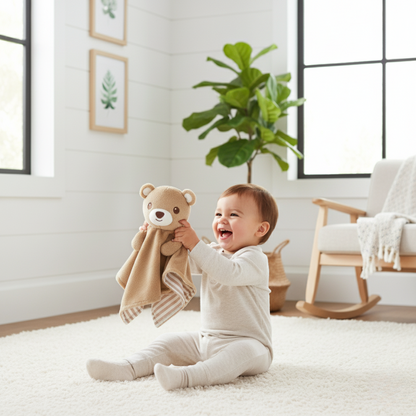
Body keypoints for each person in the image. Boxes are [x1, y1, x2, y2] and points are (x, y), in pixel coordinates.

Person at [86, 183, 278, 390]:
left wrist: (195, 243)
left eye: (233, 215)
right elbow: (180, 264)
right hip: (206, 340)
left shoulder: (255, 259)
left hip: (251, 345)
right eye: (218, 213)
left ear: (261, 229)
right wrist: (157, 239)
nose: (222, 219)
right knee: (167, 342)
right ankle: (128, 367)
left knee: (235, 357)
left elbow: (227, 273)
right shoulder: (213, 252)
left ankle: (186, 377)